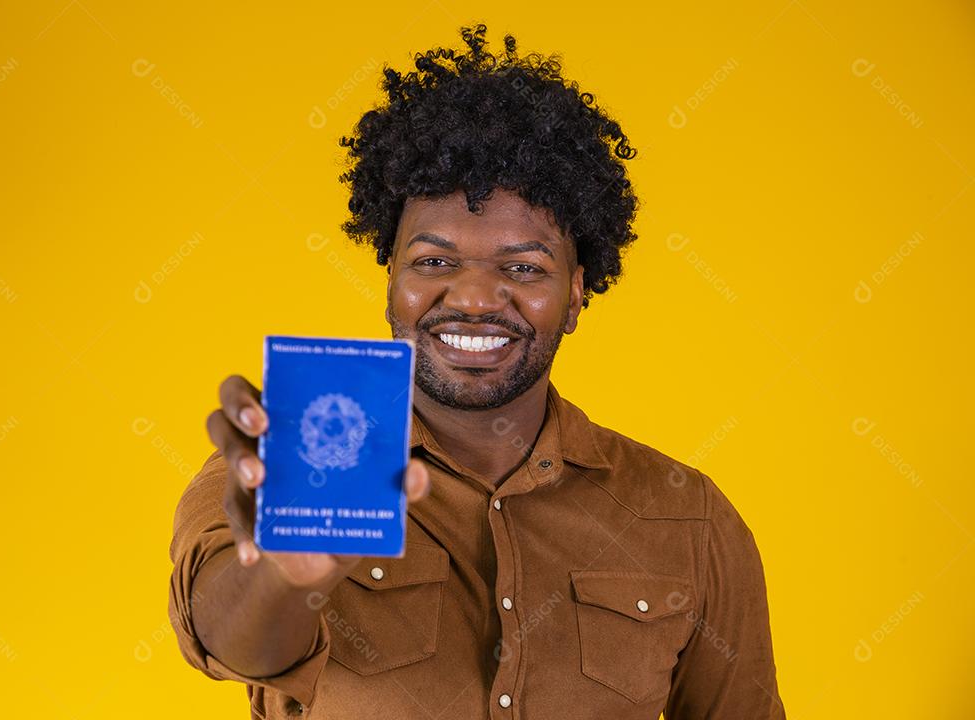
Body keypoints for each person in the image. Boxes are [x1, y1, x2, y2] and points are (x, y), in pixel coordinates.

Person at [168, 22, 785, 720]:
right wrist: (284, 574)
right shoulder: (277, 471)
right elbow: (228, 642)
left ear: (578, 291)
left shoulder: (691, 517)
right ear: (392, 278)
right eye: (433, 262)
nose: (473, 298)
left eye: (523, 267)